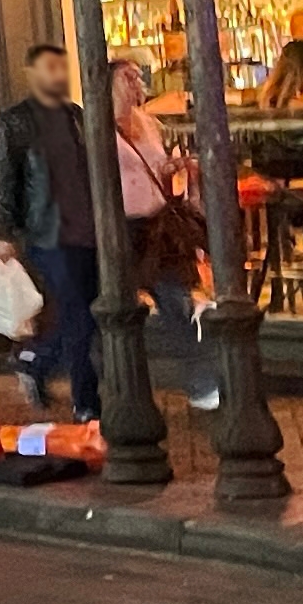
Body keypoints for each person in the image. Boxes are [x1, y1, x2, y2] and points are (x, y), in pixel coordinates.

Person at [0, 43, 101, 414]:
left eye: (60, 68)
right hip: (48, 233)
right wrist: (7, 230)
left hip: (87, 230)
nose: (57, 75)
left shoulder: (76, 116)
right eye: (49, 68)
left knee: (88, 314)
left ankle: (37, 360)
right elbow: (5, 178)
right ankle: (87, 402)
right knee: (77, 316)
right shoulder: (15, 122)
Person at [111, 57, 216, 414]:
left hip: (157, 226)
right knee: (115, 311)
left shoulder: (145, 122)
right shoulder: (97, 128)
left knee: (176, 300)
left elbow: (154, 167)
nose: (137, 85)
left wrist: (173, 168)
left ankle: (202, 383)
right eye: (128, 78)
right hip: (122, 229)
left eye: (138, 78)